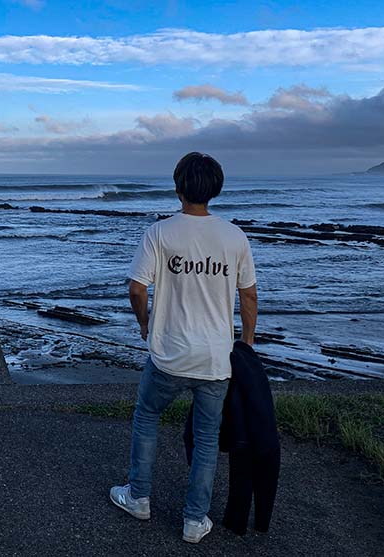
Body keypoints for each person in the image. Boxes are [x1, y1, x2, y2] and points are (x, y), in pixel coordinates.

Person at [109, 152, 258, 544]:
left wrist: (144, 322)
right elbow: (249, 297)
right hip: (214, 359)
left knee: (147, 417)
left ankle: (138, 496)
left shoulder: (160, 233)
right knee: (207, 436)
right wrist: (246, 342)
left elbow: (137, 288)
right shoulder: (234, 237)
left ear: (177, 188)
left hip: (169, 354)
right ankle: (195, 521)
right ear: (216, 189)